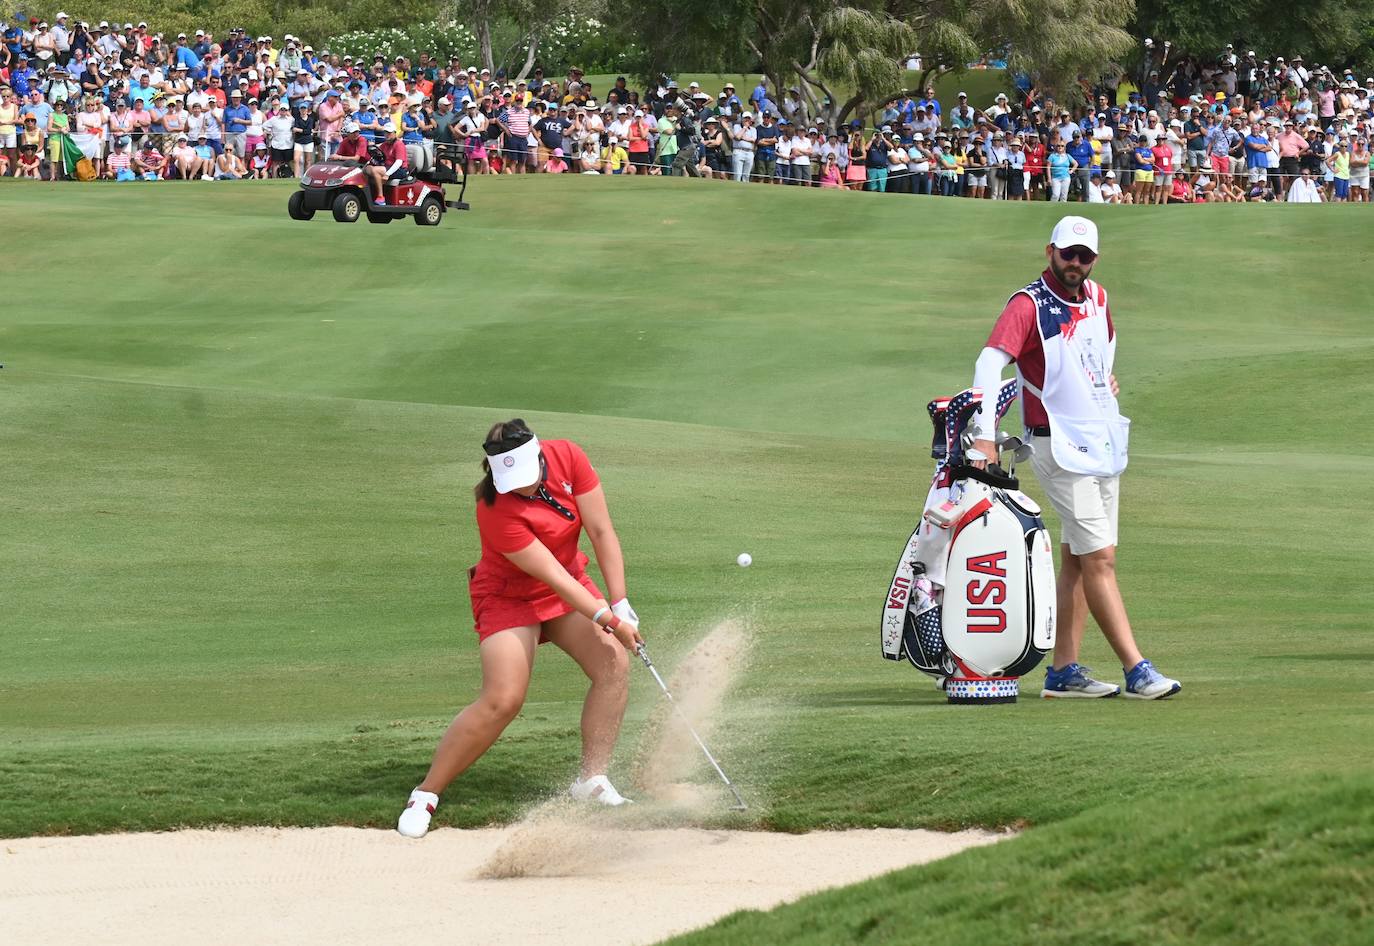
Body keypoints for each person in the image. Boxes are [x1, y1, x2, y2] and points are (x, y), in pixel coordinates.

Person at [396, 420, 644, 839]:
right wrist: (608, 619)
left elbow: (601, 531)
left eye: (527, 478)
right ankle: (426, 793)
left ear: (540, 457)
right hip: (509, 596)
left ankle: (592, 781)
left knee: (613, 664)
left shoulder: (568, 455)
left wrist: (619, 602)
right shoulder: (493, 507)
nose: (522, 488)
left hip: (567, 584)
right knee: (503, 698)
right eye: (511, 480)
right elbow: (549, 575)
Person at [968, 216, 1181, 700]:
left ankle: (1063, 672)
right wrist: (983, 437)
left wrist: (1106, 379)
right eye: (1069, 254)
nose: (1076, 264)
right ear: (1051, 252)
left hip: (1099, 440)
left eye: (1085, 256)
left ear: (1095, 259)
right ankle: (1137, 670)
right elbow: (988, 362)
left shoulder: (1099, 298)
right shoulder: (1028, 304)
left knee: (1079, 559)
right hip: (1055, 443)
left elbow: (1102, 350)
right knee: (1100, 558)